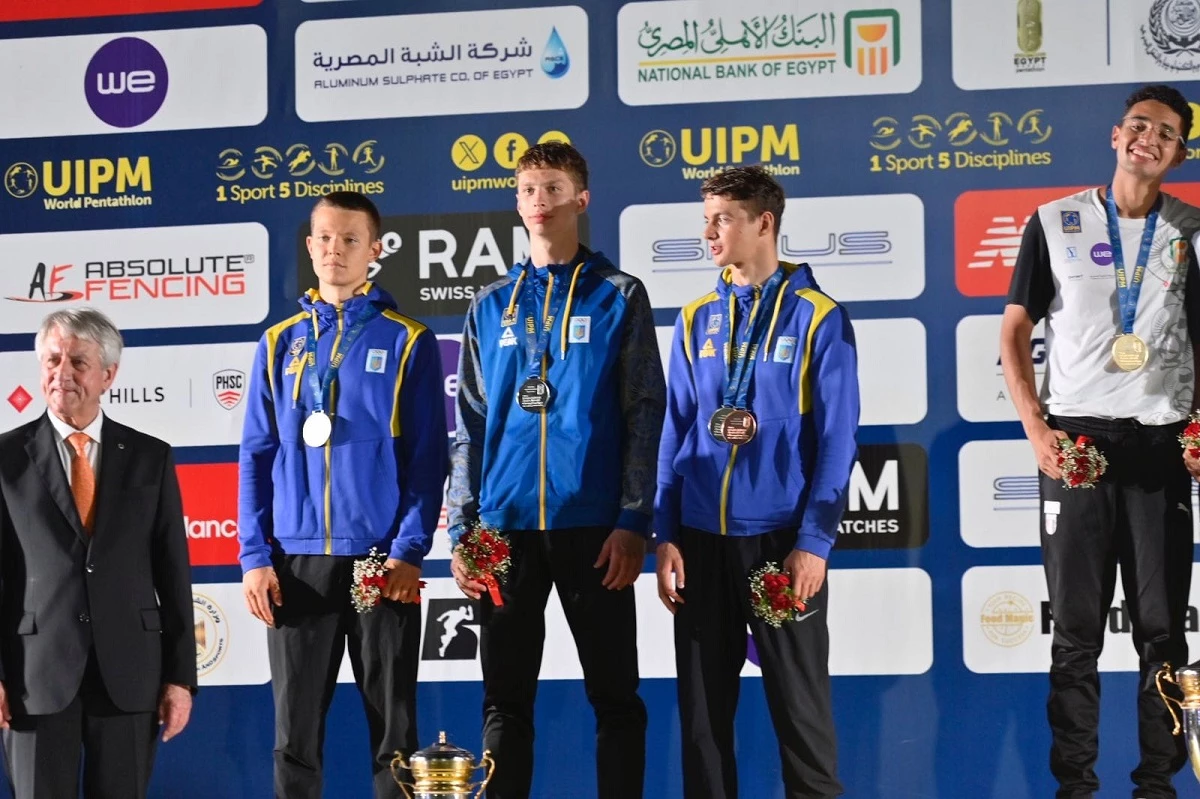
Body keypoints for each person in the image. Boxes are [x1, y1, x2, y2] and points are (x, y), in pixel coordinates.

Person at [447, 141, 665, 799]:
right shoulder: (490, 304)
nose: (538, 200)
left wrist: (632, 519)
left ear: (581, 198)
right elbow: (472, 423)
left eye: (552, 187)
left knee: (615, 696)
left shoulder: (619, 295)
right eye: (527, 189)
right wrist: (464, 529)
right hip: (505, 531)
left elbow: (643, 412)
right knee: (504, 701)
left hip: (595, 529)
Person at [999, 84, 1200, 799]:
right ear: (1117, 136)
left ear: (1179, 152)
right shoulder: (1055, 222)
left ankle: (1156, 787)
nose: (1150, 138)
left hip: (1159, 450)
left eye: (1167, 133)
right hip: (1075, 447)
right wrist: (1034, 426)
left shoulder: (1191, 230)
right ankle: (1074, 789)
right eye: (1140, 125)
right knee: (1075, 635)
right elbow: (1016, 330)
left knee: (1162, 635)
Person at [654, 165, 859, 799]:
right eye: (705, 218)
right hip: (699, 541)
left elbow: (837, 440)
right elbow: (675, 430)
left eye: (722, 218)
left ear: (763, 223)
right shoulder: (694, 318)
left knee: (800, 716)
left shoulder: (818, 317)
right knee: (703, 724)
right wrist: (664, 534)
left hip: (779, 544)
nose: (708, 231)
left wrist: (814, 545)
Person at [238, 190, 447, 798]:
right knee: (294, 736)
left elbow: (427, 459)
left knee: (395, 734)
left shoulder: (409, 340)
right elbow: (256, 455)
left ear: (375, 250)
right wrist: (255, 556)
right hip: (296, 564)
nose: (336, 250)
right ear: (309, 246)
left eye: (350, 239)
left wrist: (409, 550)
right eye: (325, 238)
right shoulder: (278, 343)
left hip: (379, 560)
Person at [0, 307, 196, 798]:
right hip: (34, 676)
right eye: (51, 360)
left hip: (130, 675)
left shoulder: (151, 457)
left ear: (109, 374)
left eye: (78, 363)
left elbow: (172, 574)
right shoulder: (5, 459)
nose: (61, 374)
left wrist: (180, 679)